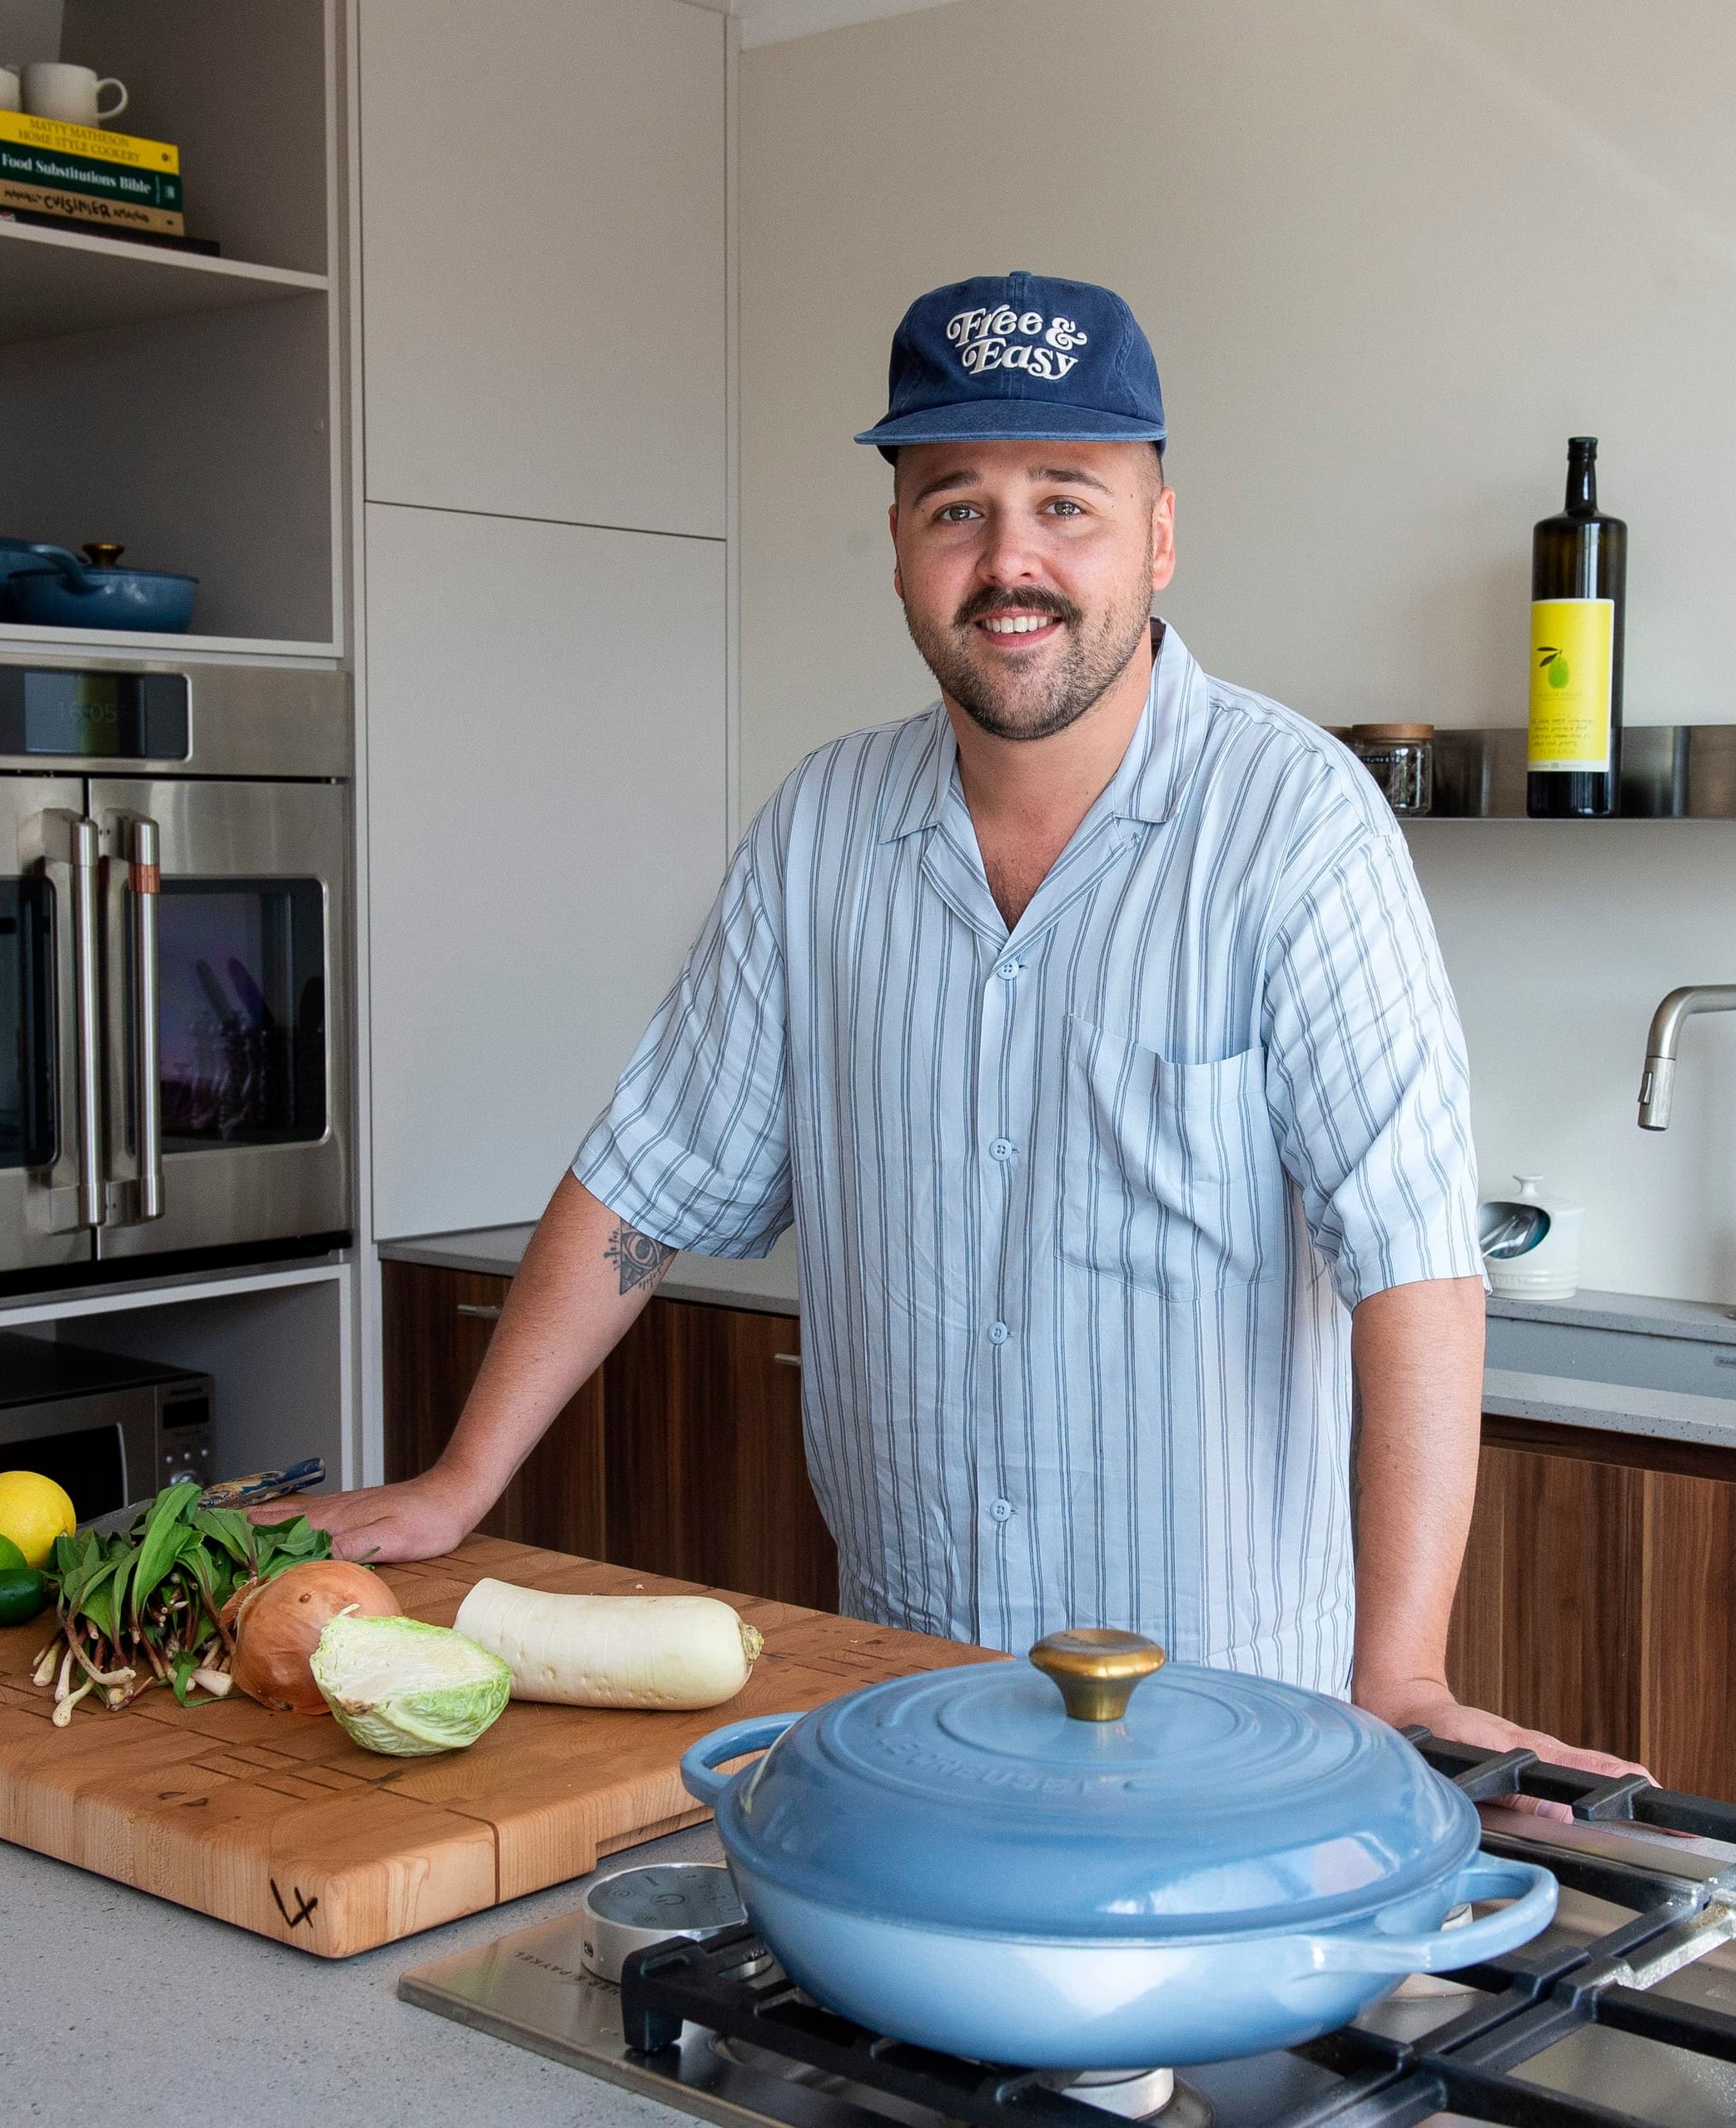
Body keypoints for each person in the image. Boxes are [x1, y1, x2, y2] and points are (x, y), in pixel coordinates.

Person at [277, 271, 1637, 1779]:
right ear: (901, 542)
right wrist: (464, 1482)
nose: (1012, 561)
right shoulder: (823, 830)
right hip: (907, 1682)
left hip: (1223, 1711)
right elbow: (649, 1175)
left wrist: (1405, 1678)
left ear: (1161, 535)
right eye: (955, 506)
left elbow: (1415, 1261)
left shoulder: (1297, 829)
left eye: (1069, 502)